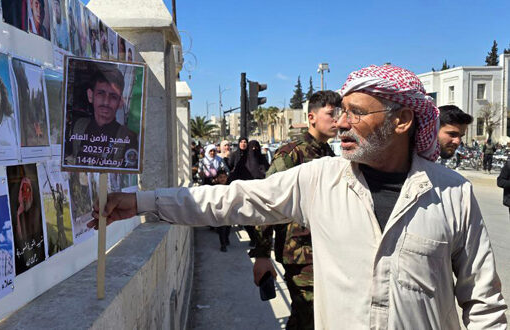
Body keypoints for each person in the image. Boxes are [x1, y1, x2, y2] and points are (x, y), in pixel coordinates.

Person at [91, 65, 507, 328]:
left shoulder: (452, 193)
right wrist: (143, 202)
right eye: (341, 112)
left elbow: (484, 302)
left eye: (357, 113)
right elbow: (233, 200)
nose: (343, 123)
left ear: (402, 120)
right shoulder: (318, 179)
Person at [250, 90, 340, 329]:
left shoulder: (329, 154)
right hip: (299, 254)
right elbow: (265, 202)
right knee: (312, 317)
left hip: (323, 251)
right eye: (331, 113)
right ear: (311, 117)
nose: (337, 119)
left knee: (308, 319)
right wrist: (261, 255)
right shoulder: (291, 154)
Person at [66, 65, 138, 168]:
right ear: (90, 96)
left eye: (113, 96)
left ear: (120, 102)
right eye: (101, 93)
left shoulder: (128, 138)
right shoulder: (77, 127)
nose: (106, 102)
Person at [227, 138, 269, 247]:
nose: (254, 149)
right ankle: (253, 237)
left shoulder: (262, 159)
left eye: (256, 147)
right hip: (245, 193)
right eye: (252, 148)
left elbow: (268, 172)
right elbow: (234, 173)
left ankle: (261, 241)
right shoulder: (243, 160)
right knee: (246, 217)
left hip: (260, 193)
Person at [213, 169, 231, 252]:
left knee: (228, 227)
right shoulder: (215, 188)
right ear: (217, 179)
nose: (223, 179)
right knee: (222, 228)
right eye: (220, 177)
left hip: (229, 210)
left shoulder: (229, 187)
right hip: (219, 210)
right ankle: (223, 245)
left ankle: (226, 239)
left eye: (224, 177)